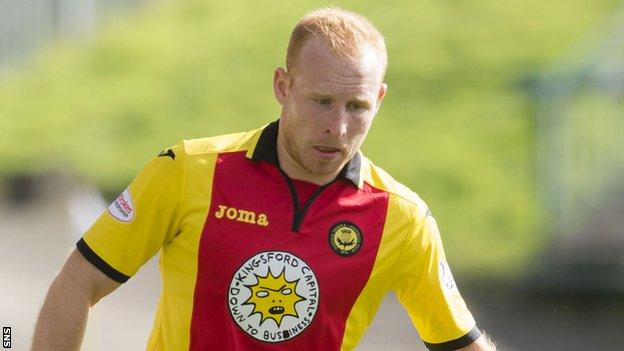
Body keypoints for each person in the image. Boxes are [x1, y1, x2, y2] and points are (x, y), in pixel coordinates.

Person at [32, 7, 496, 351]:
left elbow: (460, 344)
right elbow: (77, 283)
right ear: (283, 86)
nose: (337, 127)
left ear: (379, 98)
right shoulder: (187, 171)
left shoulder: (402, 219)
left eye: (357, 107)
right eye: (321, 101)